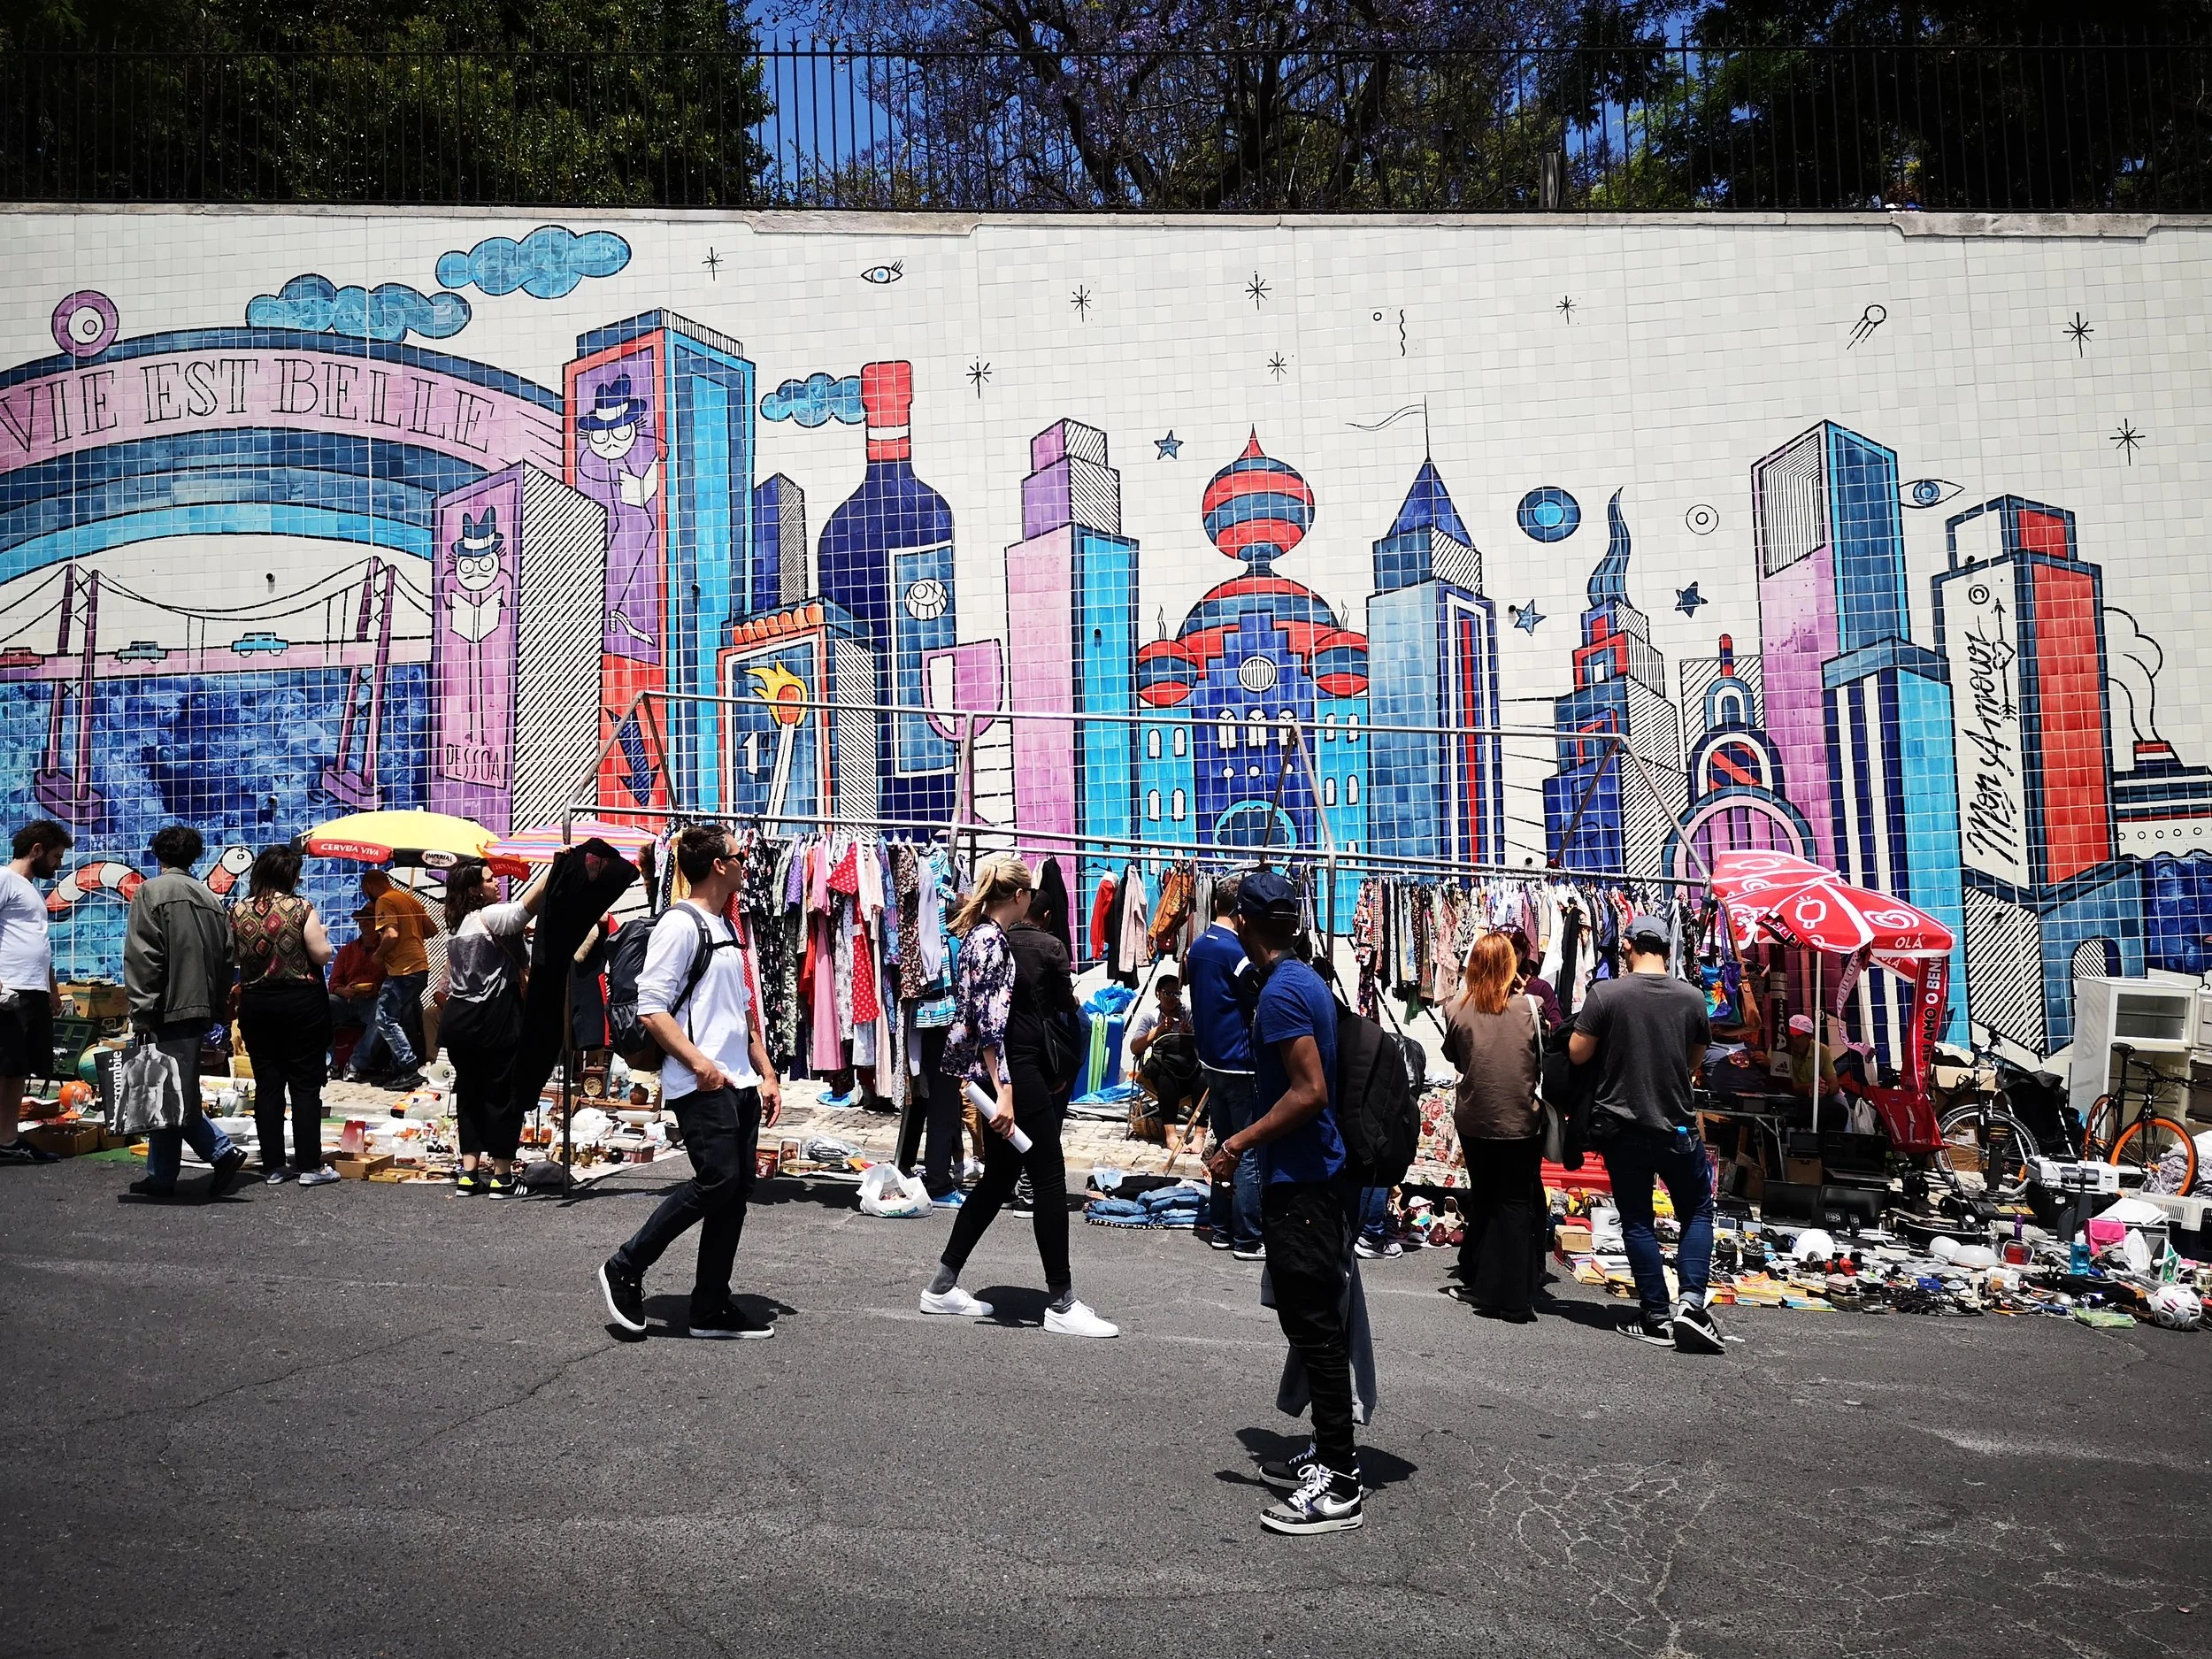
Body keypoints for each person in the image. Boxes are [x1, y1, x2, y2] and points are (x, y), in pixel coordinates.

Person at [1205, 870, 1363, 1536]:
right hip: (1306, 1180)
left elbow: (1310, 1091)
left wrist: (1237, 1141)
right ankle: (1328, 1452)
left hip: (1303, 1184)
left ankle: (1342, 1480)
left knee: (1316, 1329)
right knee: (1309, 1325)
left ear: (1244, 922)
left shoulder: (1284, 995)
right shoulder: (1300, 981)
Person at [596, 824, 783, 1340]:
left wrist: (765, 1073)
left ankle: (710, 1304)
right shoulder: (680, 925)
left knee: (735, 1191)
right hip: (701, 1082)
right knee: (717, 1180)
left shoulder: (726, 925)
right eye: (740, 855)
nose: (747, 861)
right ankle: (625, 1265)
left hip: (738, 1081)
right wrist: (700, 1064)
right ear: (719, 866)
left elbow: (740, 1011)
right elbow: (653, 1008)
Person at [919, 854, 1118, 1338]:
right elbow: (991, 1028)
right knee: (1048, 1176)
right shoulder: (990, 941)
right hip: (1012, 1072)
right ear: (1021, 896)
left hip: (1003, 1071)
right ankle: (1062, 1302)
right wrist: (1004, 1092)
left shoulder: (982, 937)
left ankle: (943, 1286)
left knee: (999, 1180)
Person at [1567, 912, 1724, 1355]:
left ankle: (1655, 1314)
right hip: (1676, 1124)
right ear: (1668, 950)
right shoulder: (1692, 998)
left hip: (1623, 1125)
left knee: (1638, 1221)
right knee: (1697, 1211)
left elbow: (1578, 1054)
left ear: (1628, 948)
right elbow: (1695, 1058)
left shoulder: (1607, 994)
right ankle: (1691, 1304)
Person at [122, 825, 247, 1201]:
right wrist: (216, 1003)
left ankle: (220, 1151)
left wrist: (142, 1008)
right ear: (194, 857)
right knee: (169, 1087)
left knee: (165, 1089)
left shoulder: (151, 892)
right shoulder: (210, 898)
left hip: (166, 1006)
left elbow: (144, 956)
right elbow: (228, 959)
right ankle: (161, 1176)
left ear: (159, 855)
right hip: (199, 1006)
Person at [1440, 932, 1547, 1319]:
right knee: (1517, 1203)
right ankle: (1516, 1296)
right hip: (1520, 1117)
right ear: (1511, 966)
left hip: (1476, 1116)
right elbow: (1538, 1057)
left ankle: (1483, 1284)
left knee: (1485, 1197)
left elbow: (1455, 1057)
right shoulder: (1530, 1007)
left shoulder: (1456, 1008)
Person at [231, 844, 338, 1187]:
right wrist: (326, 941)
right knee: (305, 1084)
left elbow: (233, 957)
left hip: (256, 1003)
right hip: (300, 1003)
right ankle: (309, 1165)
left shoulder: (238, 910)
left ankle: (274, 1164)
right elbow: (320, 955)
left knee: (268, 1084)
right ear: (289, 875)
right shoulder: (301, 908)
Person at [440, 861, 547, 1198]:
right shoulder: (489, 917)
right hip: (493, 1017)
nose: (496, 883)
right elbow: (525, 909)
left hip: (458, 1020)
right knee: (501, 1092)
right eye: (489, 880)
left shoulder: (457, 925)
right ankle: (502, 1176)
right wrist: (555, 869)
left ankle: (468, 1174)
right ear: (474, 890)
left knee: (469, 1094)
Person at [1187, 878, 1263, 1259]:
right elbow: (1258, 996)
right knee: (1245, 1148)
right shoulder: (1237, 954)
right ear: (1239, 911)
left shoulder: (1198, 947)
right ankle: (1247, 1236)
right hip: (1239, 1061)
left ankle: (1220, 1226)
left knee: (1224, 1141)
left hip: (1211, 1060)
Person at [0, 820, 70, 1165]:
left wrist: (52, 991)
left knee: (17, 1068)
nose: (59, 865)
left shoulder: (30, 889)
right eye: (56, 856)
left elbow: (38, 945)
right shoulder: (4, 879)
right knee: (6, 1065)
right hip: (9, 990)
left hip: (33, 990)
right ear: (37, 850)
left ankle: (8, 1138)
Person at [346, 869, 431, 1090]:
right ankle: (396, 1069)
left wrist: (380, 955)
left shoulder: (384, 900)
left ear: (369, 886)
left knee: (385, 1018)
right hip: (420, 966)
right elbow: (431, 929)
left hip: (403, 969)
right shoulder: (409, 899)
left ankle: (409, 1068)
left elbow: (391, 934)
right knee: (399, 1018)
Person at [326, 907, 385, 1074]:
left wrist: (375, 989)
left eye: (368, 919)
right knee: (323, 1006)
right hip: (347, 1001)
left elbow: (391, 981)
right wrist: (344, 991)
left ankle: (356, 1064)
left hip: (373, 1001)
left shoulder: (387, 951)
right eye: (361, 919)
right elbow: (334, 984)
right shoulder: (347, 950)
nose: (364, 923)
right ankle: (329, 1062)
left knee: (384, 1014)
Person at [1504, 926, 1563, 1030]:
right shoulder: (1487, 987)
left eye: (1515, 952)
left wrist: (1528, 1006)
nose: (1509, 957)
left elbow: (1556, 1024)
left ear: (1523, 954)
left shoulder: (1541, 987)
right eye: (1504, 952)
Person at [1784, 1013, 1839, 1112]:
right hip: (1788, 1096)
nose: (1791, 1040)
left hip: (1812, 1097)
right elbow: (1780, 1086)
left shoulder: (1821, 1050)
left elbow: (1834, 1083)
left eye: (1796, 1036)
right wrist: (1809, 1087)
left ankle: (1848, 1128)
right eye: (1789, 1036)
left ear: (1809, 1037)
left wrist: (1826, 1090)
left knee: (1840, 1101)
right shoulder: (1780, 1048)